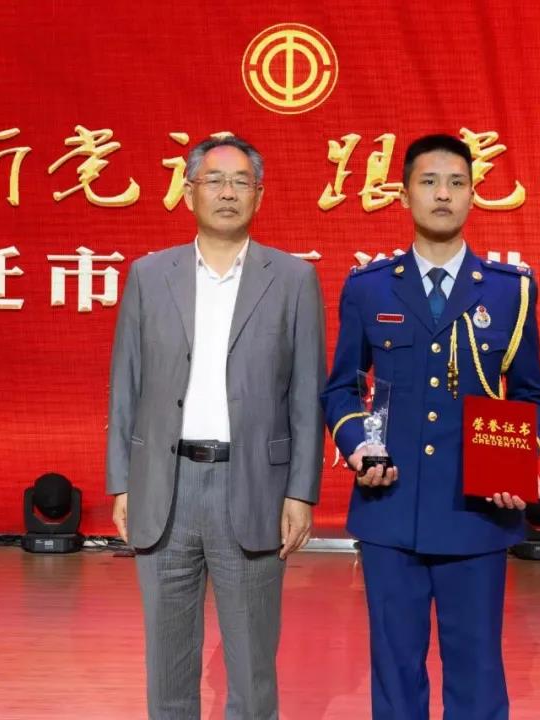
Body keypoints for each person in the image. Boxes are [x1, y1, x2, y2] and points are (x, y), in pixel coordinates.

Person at [320, 134, 540, 719]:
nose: (442, 194)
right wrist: (359, 446)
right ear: (404, 196)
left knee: (476, 671)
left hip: (477, 512)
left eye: (456, 183)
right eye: (428, 182)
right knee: (395, 671)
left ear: (473, 196)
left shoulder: (510, 291)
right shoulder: (369, 288)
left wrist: (517, 464)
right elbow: (342, 387)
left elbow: (530, 396)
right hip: (390, 507)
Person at [106, 135, 326, 720]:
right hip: (166, 486)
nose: (228, 192)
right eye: (214, 180)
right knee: (168, 666)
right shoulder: (150, 275)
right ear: (189, 193)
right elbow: (126, 384)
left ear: (259, 194)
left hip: (252, 486)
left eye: (240, 182)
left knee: (252, 669)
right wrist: (122, 482)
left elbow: (306, 394)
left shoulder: (292, 278)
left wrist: (300, 492)